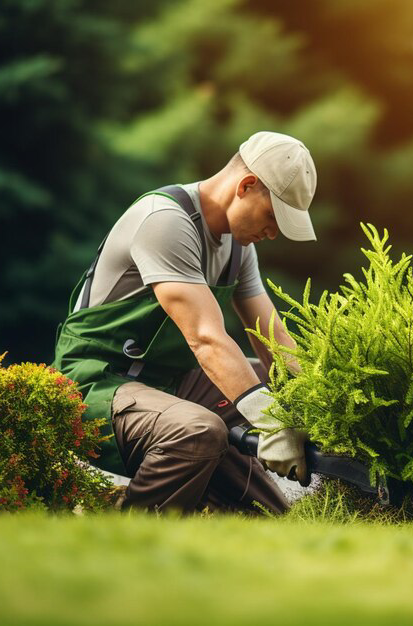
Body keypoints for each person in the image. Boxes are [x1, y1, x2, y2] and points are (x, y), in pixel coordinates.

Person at [52, 131, 316, 515]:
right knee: (198, 432)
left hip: (168, 383)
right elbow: (206, 339)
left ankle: (247, 515)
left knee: (270, 514)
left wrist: (318, 408)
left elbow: (273, 336)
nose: (273, 233)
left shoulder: (239, 249)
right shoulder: (165, 221)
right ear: (245, 186)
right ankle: (123, 530)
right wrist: (272, 422)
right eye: (273, 217)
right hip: (98, 383)